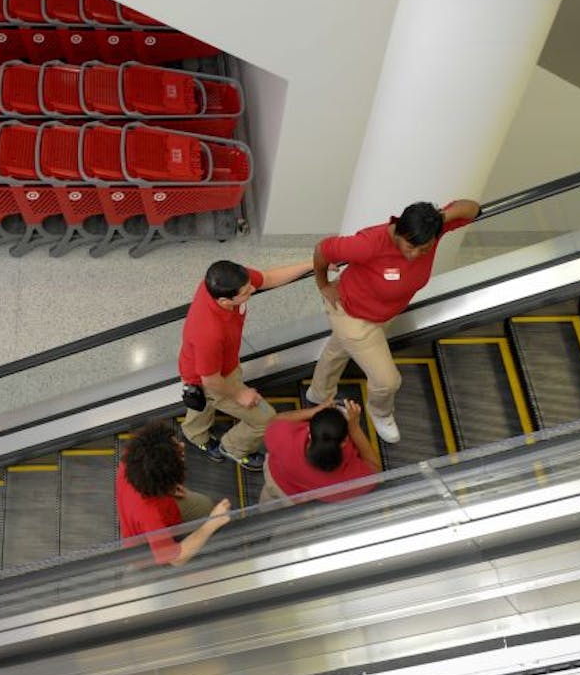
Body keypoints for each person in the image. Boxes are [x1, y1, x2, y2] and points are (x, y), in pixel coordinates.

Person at [310, 199, 480, 443]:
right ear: (399, 231)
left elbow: (473, 208)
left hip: (382, 312)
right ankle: (380, 411)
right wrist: (324, 284)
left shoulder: (430, 232)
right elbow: (323, 249)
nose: (415, 255)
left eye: (424, 249)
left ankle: (318, 393)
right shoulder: (369, 244)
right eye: (410, 246)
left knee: (338, 349)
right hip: (352, 316)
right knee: (387, 381)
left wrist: (442, 217)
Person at [179, 258, 313, 471]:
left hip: (217, 366)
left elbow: (267, 278)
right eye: (245, 291)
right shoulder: (208, 333)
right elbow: (211, 381)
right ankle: (233, 447)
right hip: (211, 379)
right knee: (265, 418)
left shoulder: (227, 281)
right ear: (225, 301)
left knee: (204, 404)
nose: (252, 289)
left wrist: (311, 264)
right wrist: (240, 394)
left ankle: (194, 433)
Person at [116, 419, 232, 566]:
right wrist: (212, 524)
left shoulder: (133, 458)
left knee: (204, 505)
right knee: (206, 512)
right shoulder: (150, 515)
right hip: (146, 549)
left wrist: (169, 488)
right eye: (178, 454)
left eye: (175, 442)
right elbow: (176, 559)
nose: (182, 445)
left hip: (165, 504)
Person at [260, 398, 383, 504]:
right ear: (344, 441)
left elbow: (274, 421)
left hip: (276, 481)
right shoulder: (344, 481)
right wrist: (355, 428)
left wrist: (315, 411)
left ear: (310, 433)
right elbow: (375, 470)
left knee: (267, 504)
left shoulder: (284, 437)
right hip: (301, 502)